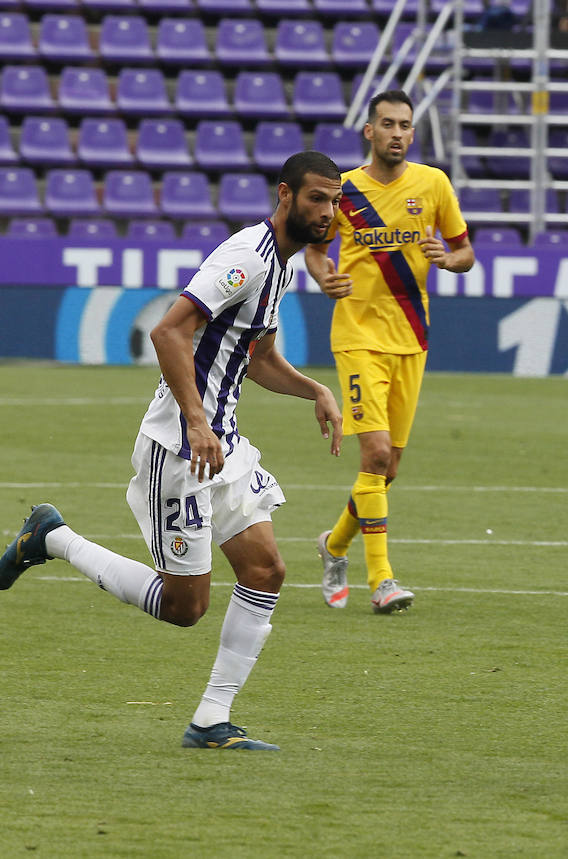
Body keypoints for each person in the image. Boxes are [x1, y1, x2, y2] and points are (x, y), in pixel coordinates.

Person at [0, 151, 345, 750]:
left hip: (224, 443)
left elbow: (257, 357)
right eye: (317, 198)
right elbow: (168, 328)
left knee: (266, 569)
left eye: (335, 200)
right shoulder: (245, 257)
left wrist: (312, 387)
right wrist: (194, 419)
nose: (328, 211)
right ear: (285, 196)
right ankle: (52, 537)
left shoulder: (284, 267)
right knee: (186, 607)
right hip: (180, 446)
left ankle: (211, 720)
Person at [305, 90, 475, 615]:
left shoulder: (434, 184)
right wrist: (324, 276)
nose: (397, 133)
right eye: (388, 124)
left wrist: (447, 260)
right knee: (374, 455)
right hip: (357, 334)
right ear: (369, 131)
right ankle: (382, 580)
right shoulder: (345, 190)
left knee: (388, 469)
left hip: (411, 338)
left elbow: (466, 252)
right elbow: (314, 249)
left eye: (405, 125)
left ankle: (333, 545)